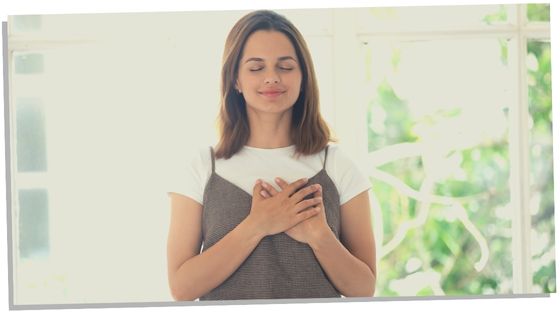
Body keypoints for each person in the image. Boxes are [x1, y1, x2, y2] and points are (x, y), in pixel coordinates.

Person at [166, 10, 376, 301]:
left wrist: (319, 236)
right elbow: (182, 288)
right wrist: (258, 225)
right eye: (256, 68)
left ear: (303, 77)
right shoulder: (202, 167)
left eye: (286, 67)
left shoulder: (337, 165)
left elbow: (364, 288)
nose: (272, 78)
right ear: (235, 80)